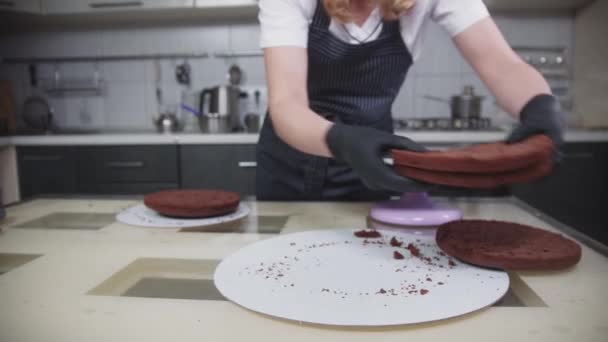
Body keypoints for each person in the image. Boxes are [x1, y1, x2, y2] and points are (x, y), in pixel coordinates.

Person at [256, 0, 563, 201]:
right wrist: (342, 140)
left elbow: (501, 63)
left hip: (369, 163)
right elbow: (287, 103)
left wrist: (540, 107)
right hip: (289, 160)